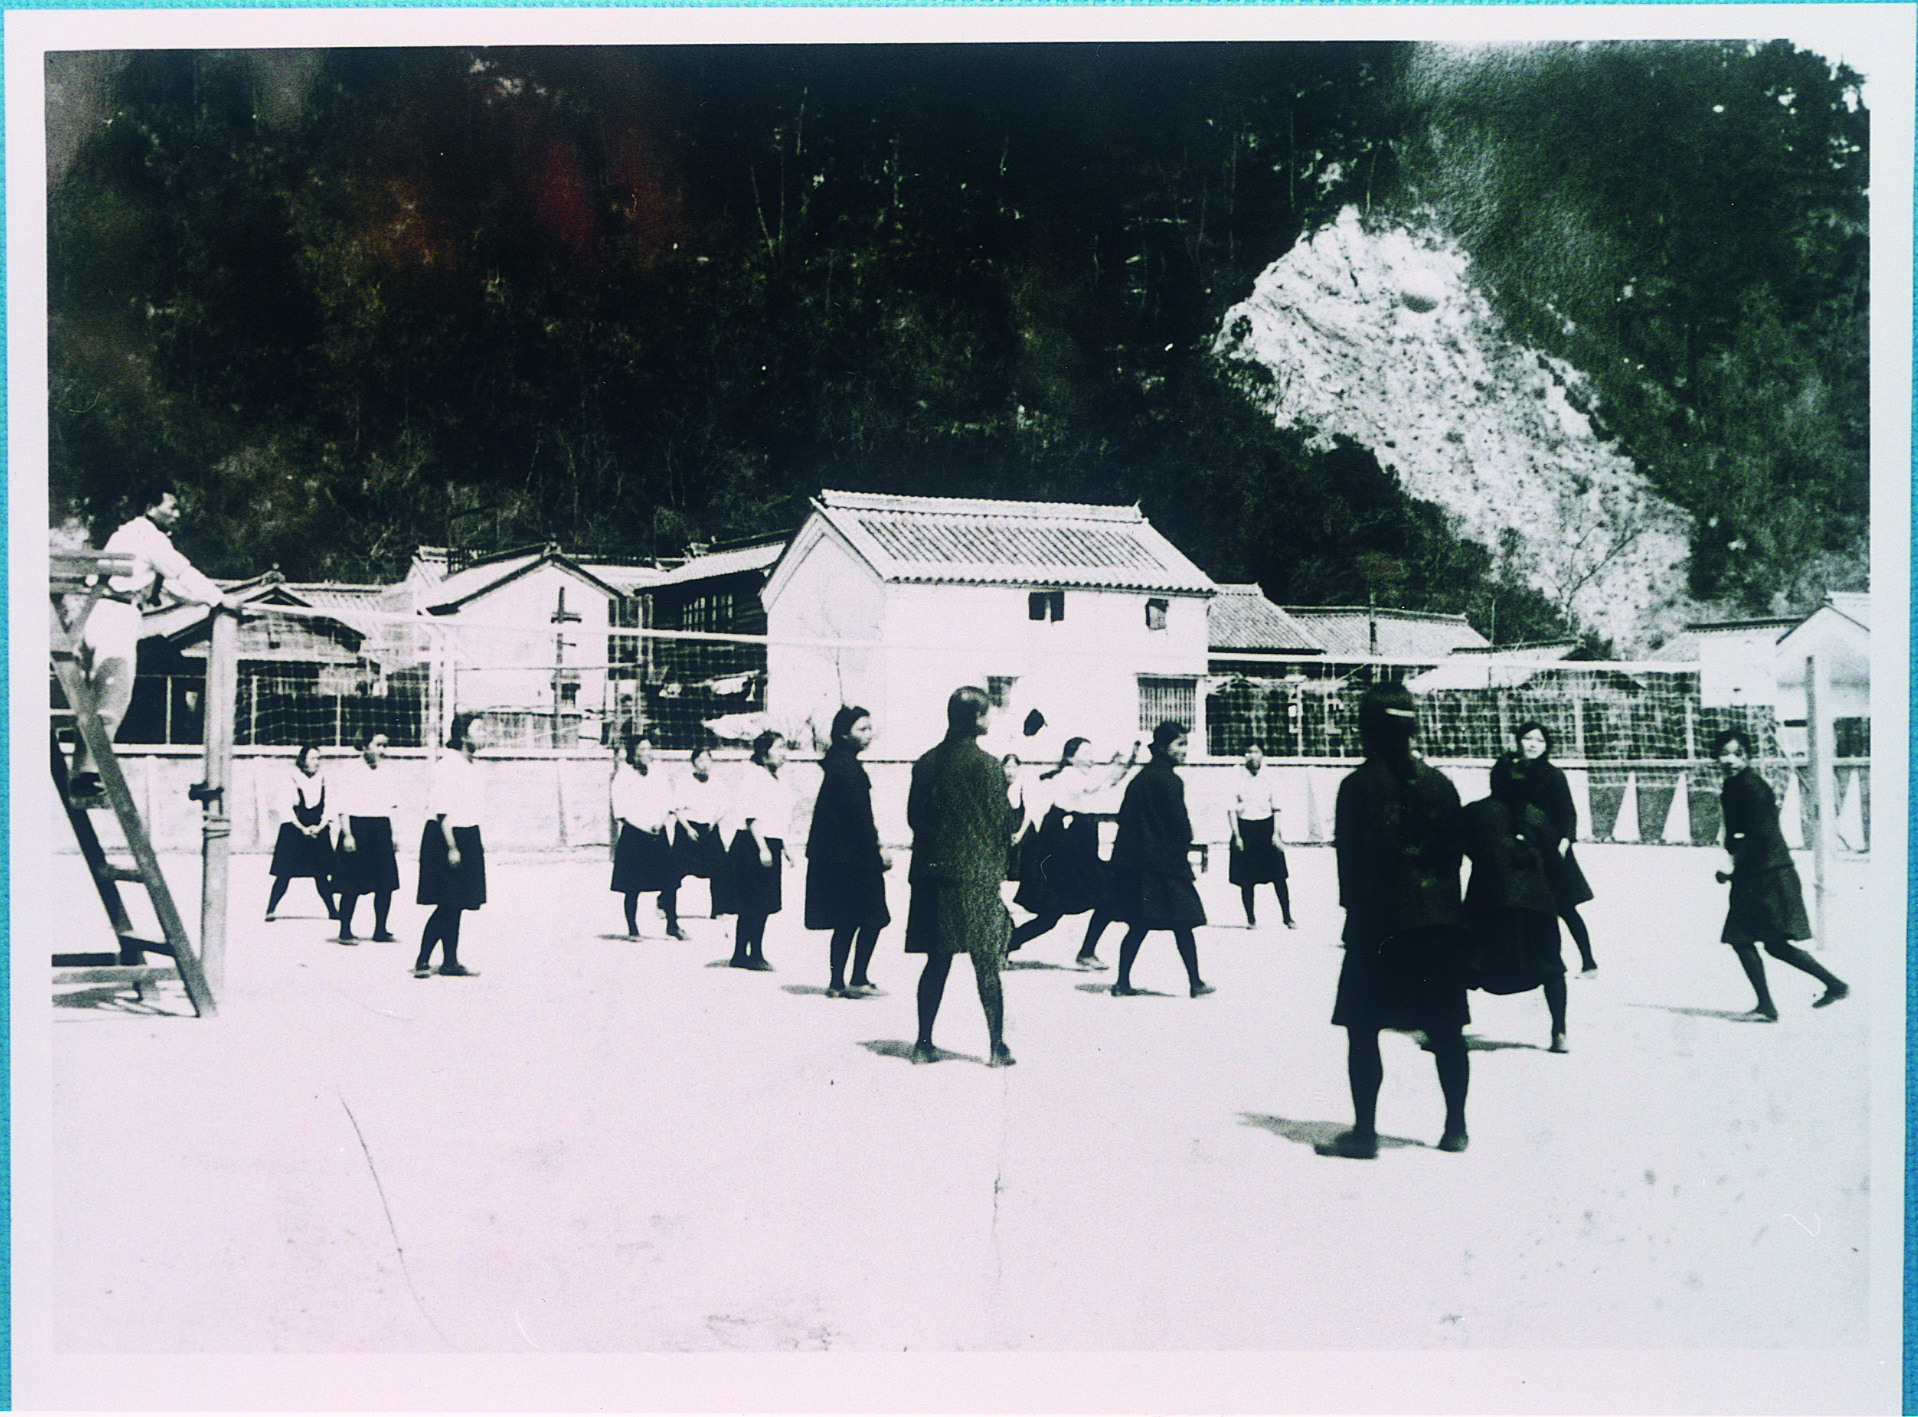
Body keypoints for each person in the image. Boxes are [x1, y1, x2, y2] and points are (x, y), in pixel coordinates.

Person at [1316, 683, 1470, 1159]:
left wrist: (1355, 915)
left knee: (1363, 1028)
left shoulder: (1356, 787)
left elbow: (1349, 864)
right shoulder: (1441, 785)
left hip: (1377, 925)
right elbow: (1453, 858)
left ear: (1366, 729)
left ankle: (1365, 1134)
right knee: (1447, 1028)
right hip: (1437, 924)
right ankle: (1455, 1129)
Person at [70, 489, 238, 795]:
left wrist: (208, 599)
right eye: (171, 507)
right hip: (116, 615)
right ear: (150, 507)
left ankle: (83, 774)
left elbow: (175, 588)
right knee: (112, 700)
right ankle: (90, 775)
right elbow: (182, 573)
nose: (177, 514)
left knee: (95, 700)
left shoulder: (126, 535)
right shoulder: (149, 537)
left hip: (96, 614)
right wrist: (219, 599)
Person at [905, 686, 1015, 1067]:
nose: (989, 719)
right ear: (976, 719)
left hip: (932, 876)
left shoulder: (925, 763)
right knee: (986, 964)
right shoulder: (988, 766)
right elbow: (1003, 824)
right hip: (975, 878)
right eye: (986, 713)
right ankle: (996, 1048)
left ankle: (922, 1045)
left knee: (936, 961)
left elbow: (914, 819)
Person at [1711, 727, 1849, 1019]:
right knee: (1770, 943)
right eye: (1724, 753)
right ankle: (1833, 985)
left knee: (1744, 938)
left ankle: (1768, 1006)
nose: (1730, 760)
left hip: (1767, 876)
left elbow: (1760, 834)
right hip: (1757, 874)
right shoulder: (1736, 784)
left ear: (1748, 757)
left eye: (1738, 754)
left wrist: (1732, 862)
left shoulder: (1750, 786)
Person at [1460, 756, 1569, 1052]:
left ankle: (1450, 1027)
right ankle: (1559, 1033)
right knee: (1552, 968)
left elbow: (1462, 849)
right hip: (1537, 906)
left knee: (1459, 965)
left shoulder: (1474, 813)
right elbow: (1554, 864)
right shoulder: (1538, 816)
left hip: (1487, 904)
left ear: (1493, 780)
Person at [1008, 736, 1141, 967]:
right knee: (1103, 897)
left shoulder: (1074, 776)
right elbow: (1095, 785)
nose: (1091, 758)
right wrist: (1116, 764)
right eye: (1086, 753)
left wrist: (1123, 765)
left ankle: (1006, 945)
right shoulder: (1070, 775)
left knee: (1052, 914)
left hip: (1074, 850)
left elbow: (1107, 782)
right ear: (1070, 758)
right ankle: (1085, 952)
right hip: (1069, 852)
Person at [1108, 721, 1212, 998]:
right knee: (1184, 922)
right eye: (1180, 744)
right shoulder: (1170, 780)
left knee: (1139, 924)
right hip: (1166, 864)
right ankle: (1195, 983)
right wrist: (1184, 841)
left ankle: (1122, 983)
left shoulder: (1140, 778)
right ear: (1165, 747)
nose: (1184, 750)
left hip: (1139, 866)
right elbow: (1180, 824)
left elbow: (1123, 817)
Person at [1492, 723, 1597, 972]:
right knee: (1523, 906)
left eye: (1539, 740)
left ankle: (1588, 961)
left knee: (1565, 907)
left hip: (1552, 849)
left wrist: (1565, 841)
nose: (1532, 744)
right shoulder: (1508, 770)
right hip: (1519, 849)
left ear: (1547, 746)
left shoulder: (1553, 775)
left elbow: (1568, 812)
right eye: (1528, 738)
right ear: (1518, 741)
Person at [805, 706, 891, 997]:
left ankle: (836, 982)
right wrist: (878, 851)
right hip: (855, 859)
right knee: (874, 917)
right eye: (862, 729)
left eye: (869, 728)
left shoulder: (837, 763)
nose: (869, 734)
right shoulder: (849, 768)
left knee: (845, 920)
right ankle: (858, 978)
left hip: (836, 859)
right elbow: (860, 818)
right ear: (844, 734)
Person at [413, 713, 489, 978]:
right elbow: (442, 810)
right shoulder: (447, 765)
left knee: (457, 903)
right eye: (478, 729)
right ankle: (422, 960)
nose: (484, 734)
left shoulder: (473, 765)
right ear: (463, 735)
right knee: (447, 902)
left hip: (467, 835)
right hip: (445, 837)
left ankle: (450, 962)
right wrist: (452, 848)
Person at [724, 731, 798, 971]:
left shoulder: (777, 779)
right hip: (753, 844)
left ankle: (752, 952)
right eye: (778, 747)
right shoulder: (753, 777)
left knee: (763, 903)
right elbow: (751, 817)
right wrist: (763, 848)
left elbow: (779, 817)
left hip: (770, 843)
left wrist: (785, 847)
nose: (783, 753)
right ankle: (744, 954)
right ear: (764, 752)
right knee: (751, 902)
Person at [610, 735, 685, 939]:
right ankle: (633, 929)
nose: (646, 753)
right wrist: (642, 827)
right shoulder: (623, 776)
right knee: (632, 885)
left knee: (669, 882)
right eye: (642, 749)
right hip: (634, 836)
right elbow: (621, 811)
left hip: (658, 833)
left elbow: (667, 801)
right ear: (633, 752)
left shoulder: (658, 773)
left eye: (649, 748)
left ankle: (672, 925)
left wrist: (659, 823)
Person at [332, 731, 402, 944]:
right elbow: (342, 807)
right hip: (357, 828)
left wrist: (394, 834)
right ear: (364, 746)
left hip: (381, 828)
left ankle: (380, 930)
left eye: (385, 745)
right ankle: (345, 931)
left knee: (385, 884)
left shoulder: (389, 772)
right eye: (377, 745)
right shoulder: (349, 770)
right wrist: (347, 835)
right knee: (351, 884)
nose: (382, 750)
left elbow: (392, 806)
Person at [265, 744, 338, 923]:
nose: (316, 762)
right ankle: (270, 909)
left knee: (321, 875)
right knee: (284, 875)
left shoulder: (324, 780)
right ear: (303, 761)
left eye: (318, 759)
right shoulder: (291, 778)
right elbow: (285, 808)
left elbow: (331, 805)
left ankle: (333, 911)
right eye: (312, 758)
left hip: (318, 831)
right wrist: (302, 828)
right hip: (294, 831)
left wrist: (319, 827)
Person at [1227, 745, 1295, 929]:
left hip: (1267, 828)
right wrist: (1237, 836)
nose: (1252, 756)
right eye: (1248, 752)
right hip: (1245, 829)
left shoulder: (1270, 777)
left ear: (1262, 755)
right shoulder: (1236, 778)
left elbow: (1277, 808)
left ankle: (1288, 917)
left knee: (1279, 876)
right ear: (1244, 755)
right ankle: (1251, 919)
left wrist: (1276, 834)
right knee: (1246, 879)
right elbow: (1231, 810)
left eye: (1256, 752)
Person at [670, 747, 730, 917]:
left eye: (707, 760)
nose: (704, 764)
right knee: (676, 869)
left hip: (709, 829)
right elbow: (676, 808)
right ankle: (665, 904)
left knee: (719, 868)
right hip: (687, 829)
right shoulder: (684, 781)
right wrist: (688, 829)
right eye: (700, 760)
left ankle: (718, 909)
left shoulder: (717, 783)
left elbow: (724, 805)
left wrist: (714, 820)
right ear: (693, 762)